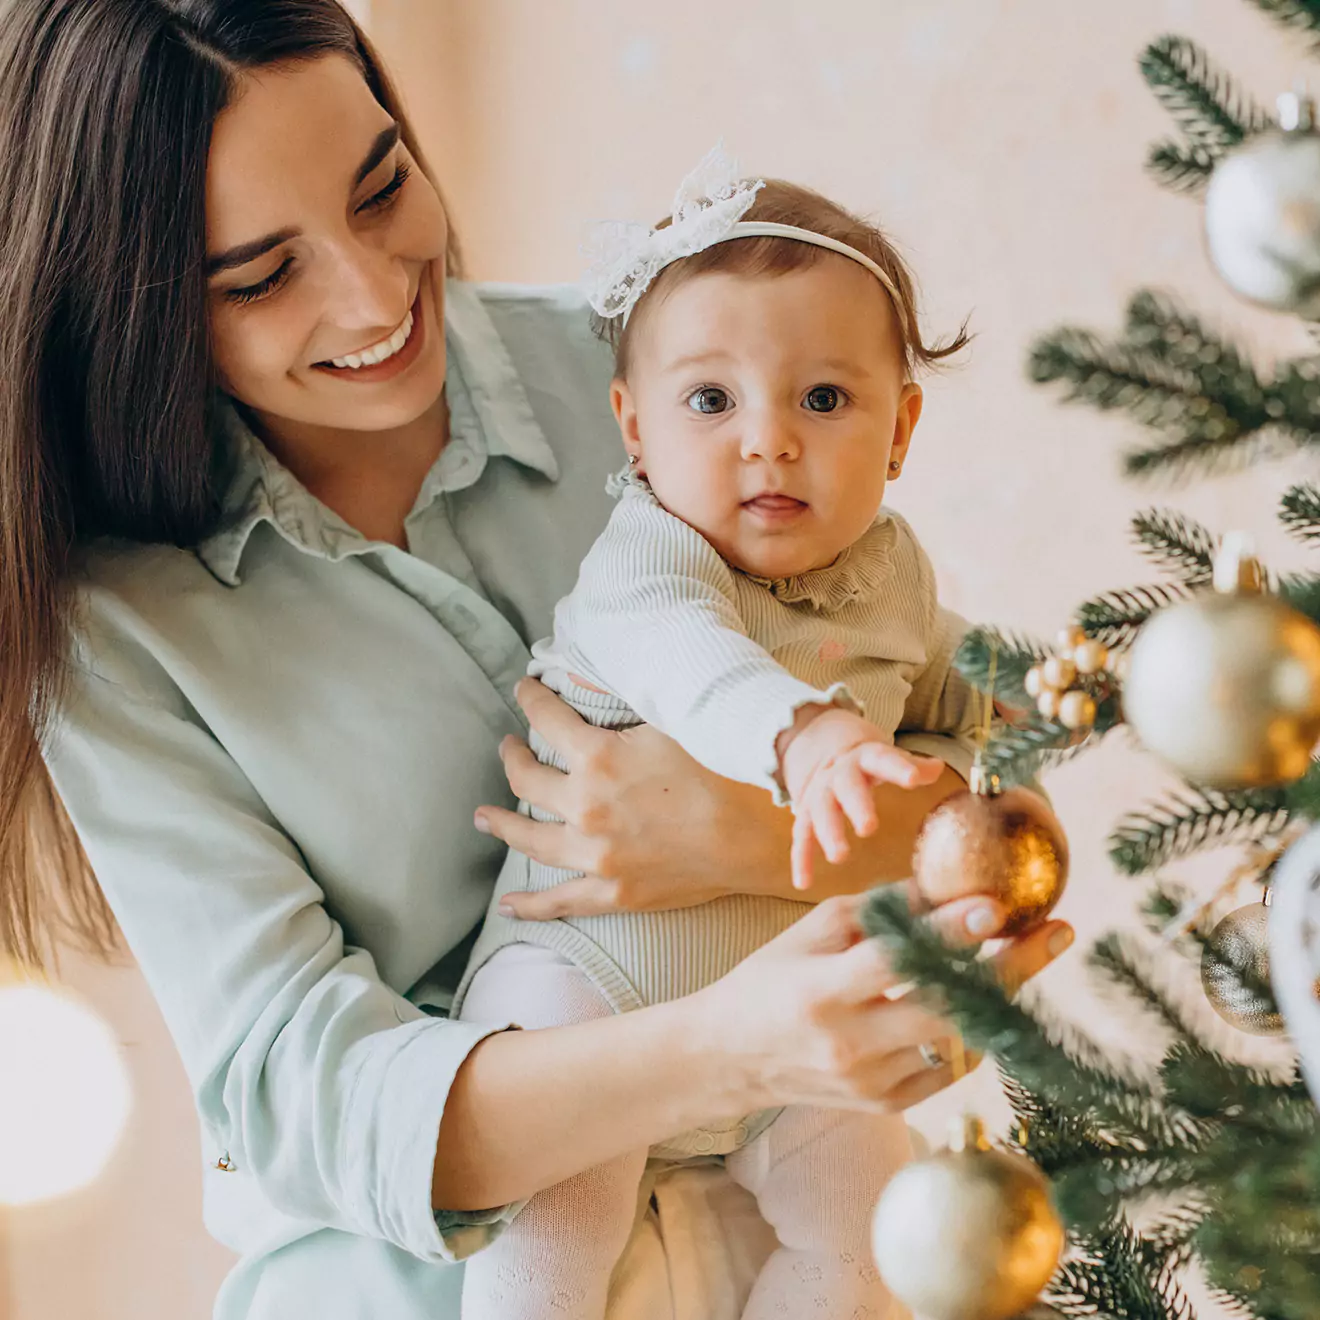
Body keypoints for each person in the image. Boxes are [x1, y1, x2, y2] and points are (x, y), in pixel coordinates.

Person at [0, 3, 1074, 1317]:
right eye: (262, 275)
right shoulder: (116, 628)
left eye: (382, 186)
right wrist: (721, 1050)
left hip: (799, 1252)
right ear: (131, 308)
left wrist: (738, 839)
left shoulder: (676, 370)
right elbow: (299, 1094)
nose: (375, 293)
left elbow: (959, 766)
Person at [454, 156, 987, 1320]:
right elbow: (687, 659)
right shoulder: (648, 559)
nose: (769, 441)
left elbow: (960, 693)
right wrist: (806, 740)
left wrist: (1042, 714)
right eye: (712, 401)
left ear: (899, 431)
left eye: (824, 400)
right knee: (548, 1246)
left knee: (873, 1240)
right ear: (633, 429)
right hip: (588, 992)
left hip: (795, 1029)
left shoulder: (893, 579)